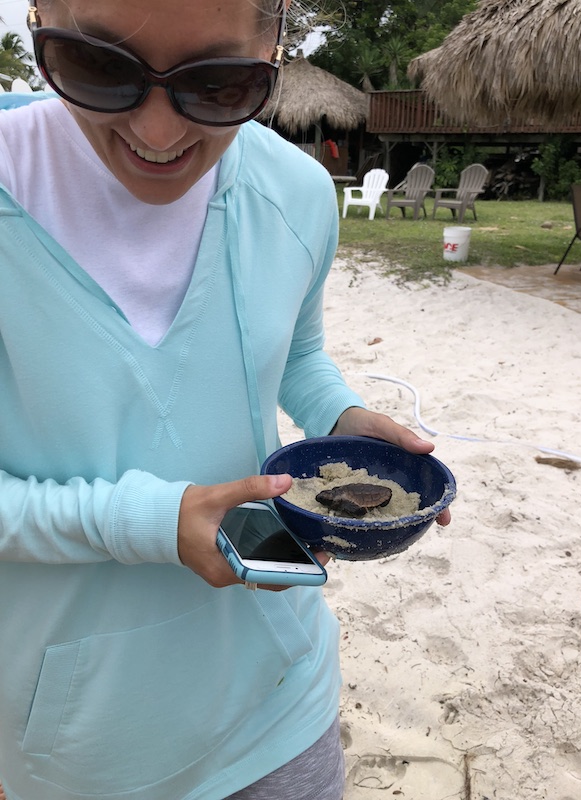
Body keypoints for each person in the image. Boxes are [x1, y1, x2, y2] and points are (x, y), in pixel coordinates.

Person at [0, 1, 450, 798]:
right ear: (39, 25)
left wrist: (344, 421)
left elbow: (297, 354)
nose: (159, 132)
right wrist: (145, 523)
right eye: (99, 68)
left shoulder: (298, 191)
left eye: (218, 84)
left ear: (273, 50)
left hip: (280, 698)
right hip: (83, 746)